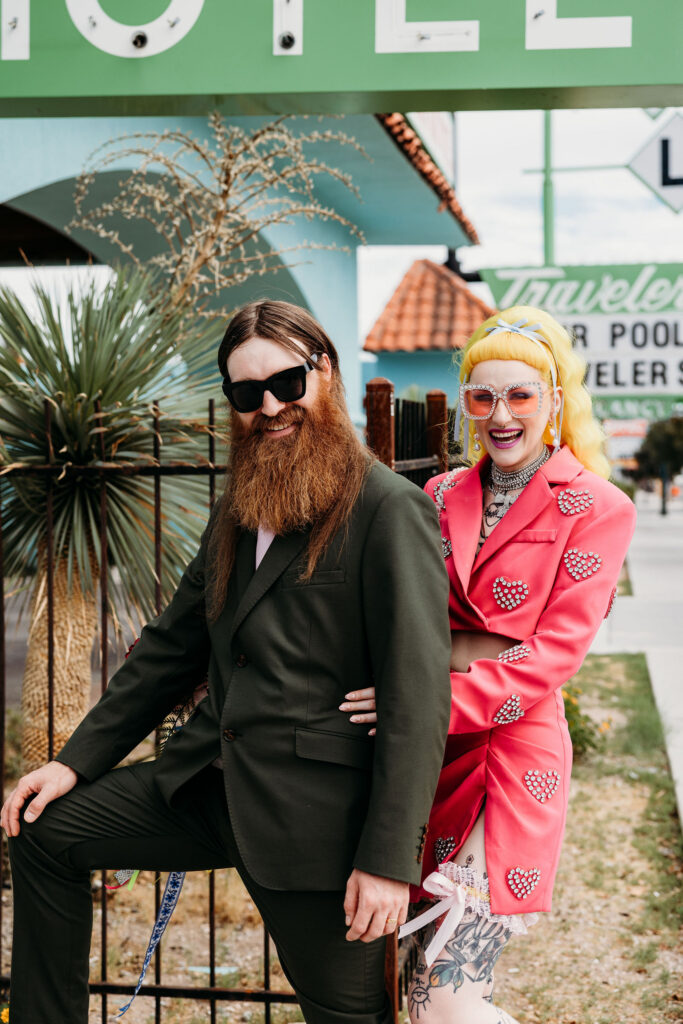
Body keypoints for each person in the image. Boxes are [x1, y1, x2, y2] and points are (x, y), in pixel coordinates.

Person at [2, 299, 452, 1024]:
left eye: (286, 383)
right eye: (247, 393)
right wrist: (73, 763)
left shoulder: (388, 508)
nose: (270, 407)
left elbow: (417, 700)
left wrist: (387, 862)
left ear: (325, 371)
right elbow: (169, 650)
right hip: (205, 786)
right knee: (45, 831)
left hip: (316, 821)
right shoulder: (240, 506)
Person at [341, 307, 636, 1024]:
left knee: (441, 994)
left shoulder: (597, 507)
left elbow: (553, 653)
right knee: (419, 986)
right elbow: (402, 615)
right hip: (429, 756)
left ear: (554, 401)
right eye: (482, 397)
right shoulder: (440, 494)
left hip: (512, 754)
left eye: (520, 395)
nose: (500, 415)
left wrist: (420, 703)